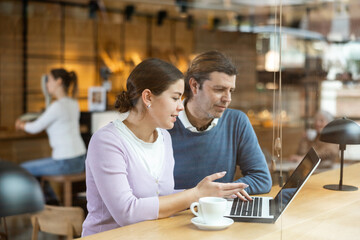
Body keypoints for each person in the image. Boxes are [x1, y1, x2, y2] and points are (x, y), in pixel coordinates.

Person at [81, 58, 250, 236]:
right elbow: (127, 212)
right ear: (148, 97)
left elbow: (163, 196)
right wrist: (195, 194)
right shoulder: (107, 142)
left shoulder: (164, 138)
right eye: (175, 98)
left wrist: (210, 193)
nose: (180, 107)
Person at [168, 50, 272, 195]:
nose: (227, 98)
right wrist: (200, 195)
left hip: (219, 214)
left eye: (231, 91)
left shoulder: (236, 122)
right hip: (174, 215)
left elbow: (261, 179)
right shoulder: (165, 124)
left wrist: (218, 193)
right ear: (194, 86)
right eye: (219, 89)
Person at [15, 68, 86, 202]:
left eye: (49, 80)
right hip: (81, 160)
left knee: (22, 169)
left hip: (65, 162)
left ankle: (50, 205)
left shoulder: (57, 106)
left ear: (59, 82)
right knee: (39, 173)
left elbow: (35, 127)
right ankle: (52, 203)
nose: (46, 84)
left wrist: (21, 125)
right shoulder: (73, 103)